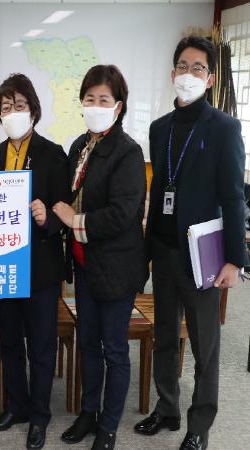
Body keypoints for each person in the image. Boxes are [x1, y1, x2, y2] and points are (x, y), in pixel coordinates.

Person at [134, 36, 248, 450]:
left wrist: (235, 260)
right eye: (182, 66)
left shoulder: (225, 129)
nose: (189, 74)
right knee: (165, 337)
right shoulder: (159, 128)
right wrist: (146, 251)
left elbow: (234, 198)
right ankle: (167, 409)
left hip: (204, 255)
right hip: (164, 251)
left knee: (204, 346)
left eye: (198, 67)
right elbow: (158, 190)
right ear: (172, 73)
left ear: (210, 78)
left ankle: (199, 426)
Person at [53, 65, 147, 450]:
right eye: (89, 98)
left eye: (103, 99)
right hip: (85, 264)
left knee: (115, 349)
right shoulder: (79, 146)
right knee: (87, 342)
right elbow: (67, 195)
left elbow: (122, 214)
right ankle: (88, 413)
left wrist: (73, 220)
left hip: (117, 269)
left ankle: (108, 426)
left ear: (118, 106)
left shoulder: (128, 152)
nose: (95, 105)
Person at [0, 73, 69, 450]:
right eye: (6, 107)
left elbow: (65, 210)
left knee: (41, 345)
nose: (13, 113)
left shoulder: (53, 154)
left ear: (33, 111)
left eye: (19, 105)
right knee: (9, 341)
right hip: (3, 265)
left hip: (41, 266)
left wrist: (47, 217)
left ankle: (39, 415)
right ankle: (17, 406)